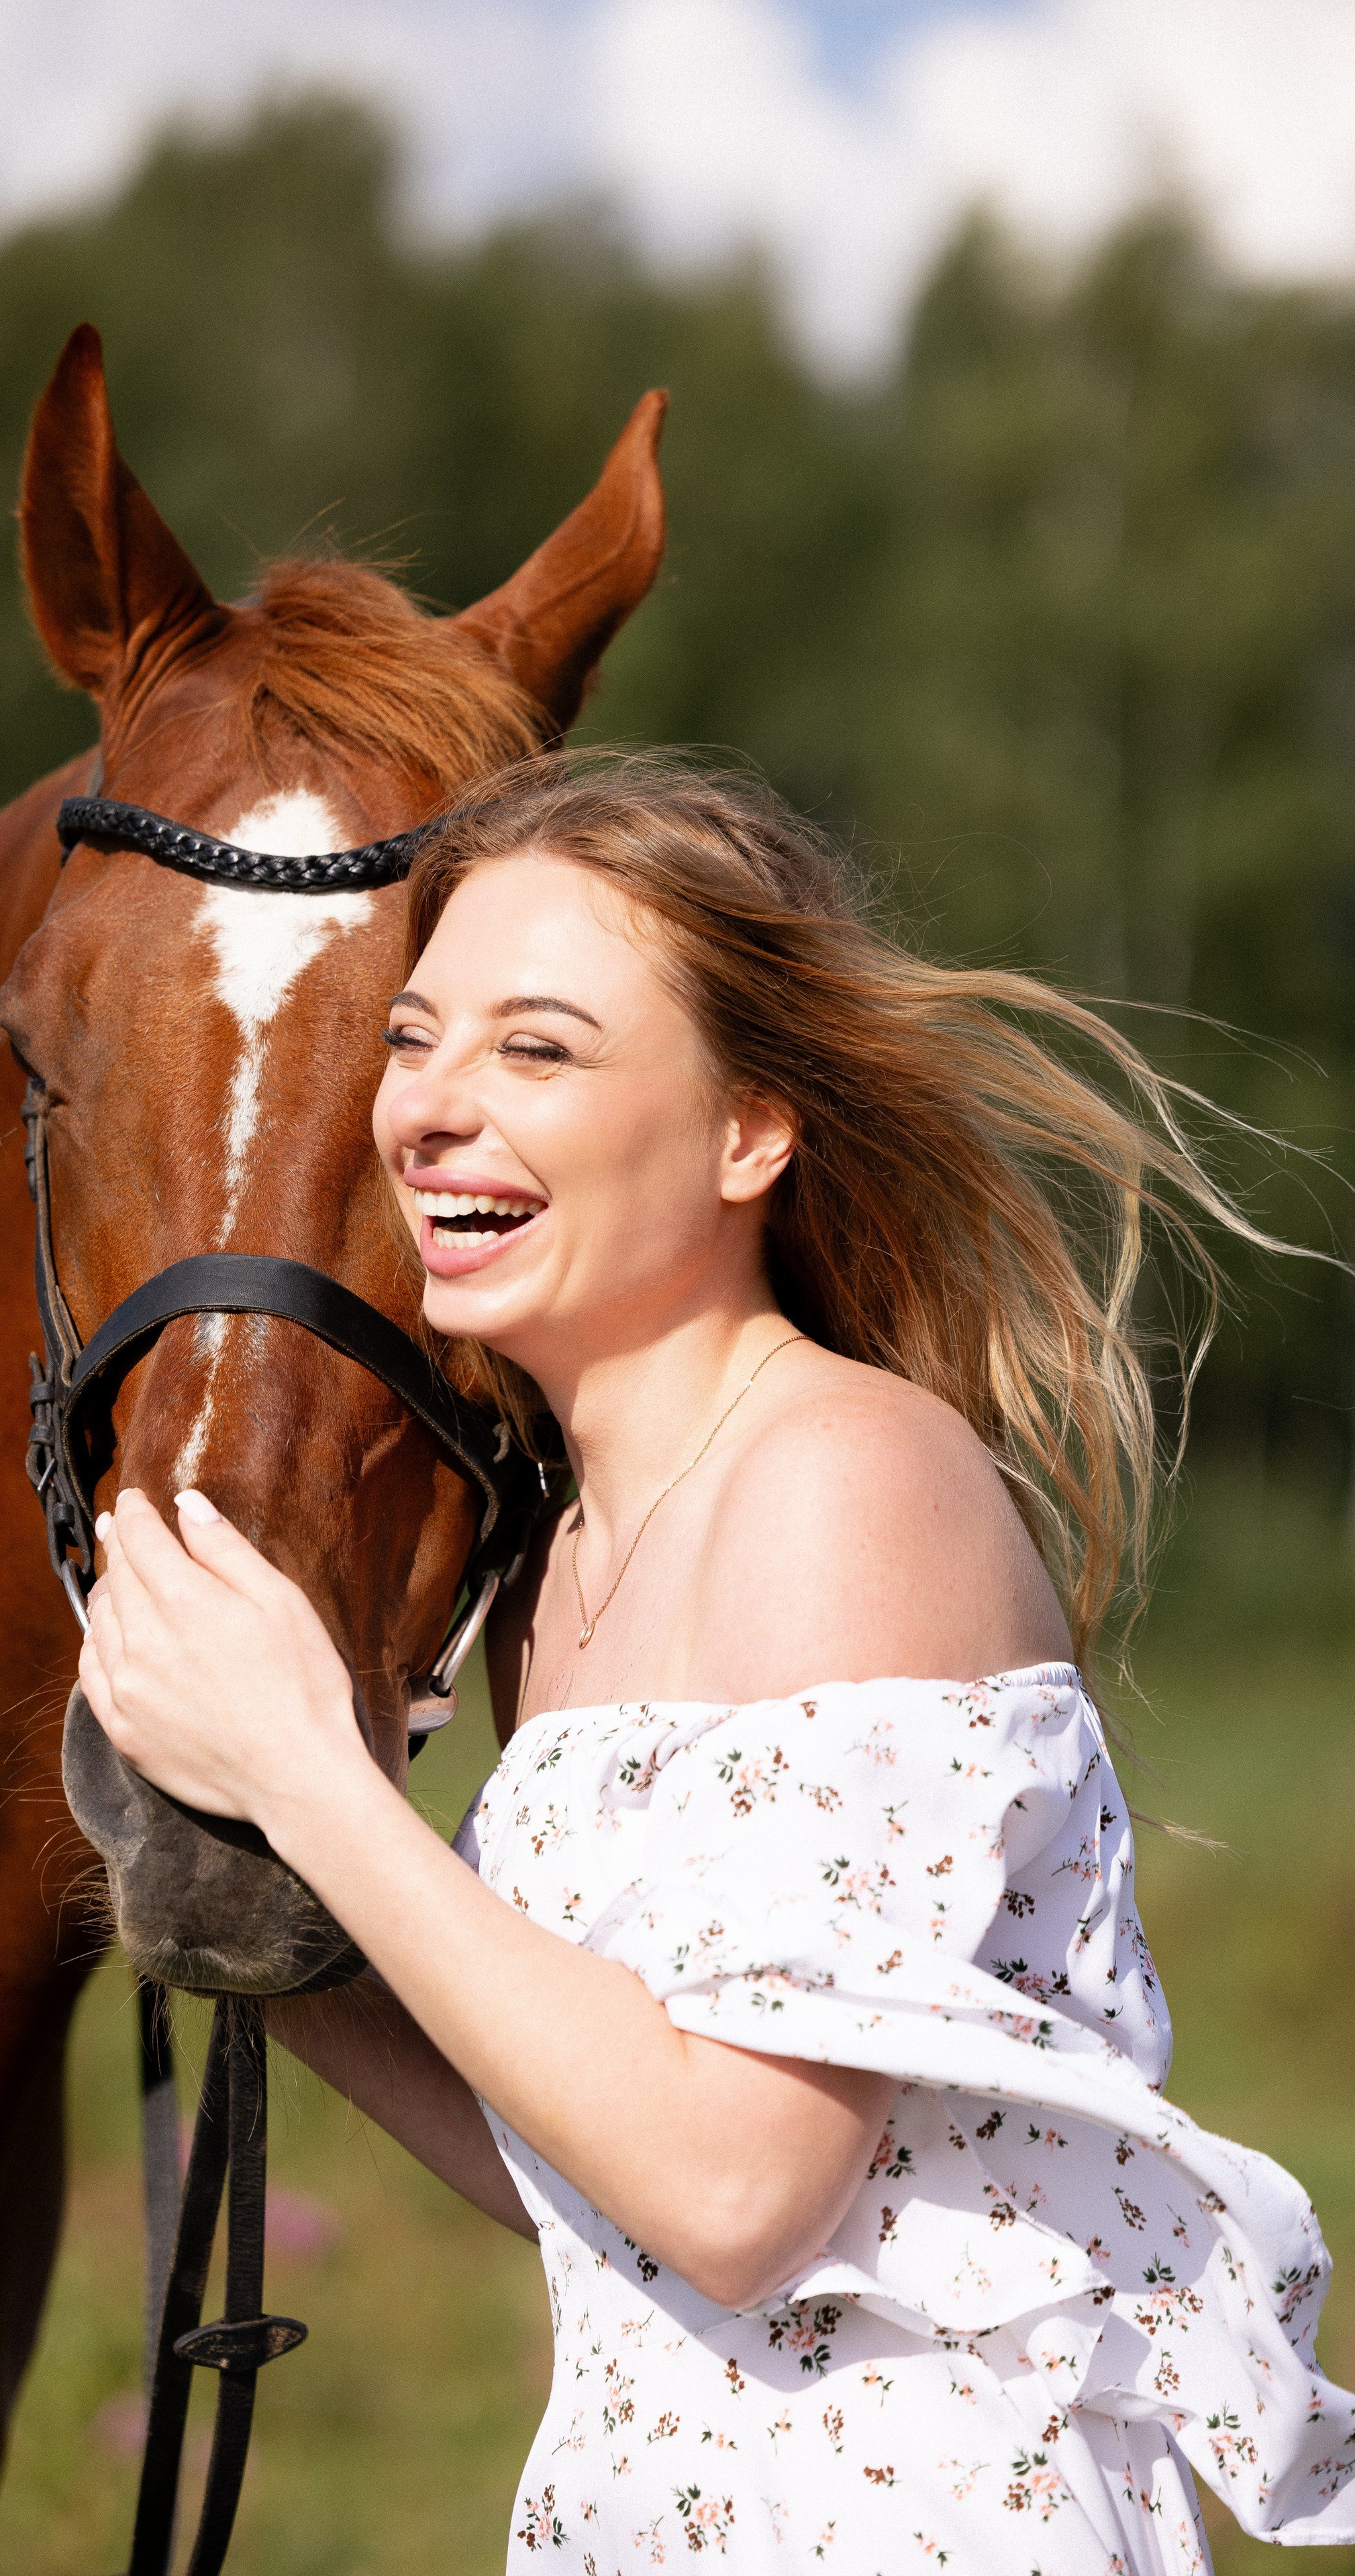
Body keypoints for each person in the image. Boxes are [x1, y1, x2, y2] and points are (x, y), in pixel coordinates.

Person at [77, 754, 1355, 2572]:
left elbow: (743, 2191)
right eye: (416, 1039)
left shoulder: (843, 1481)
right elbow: (602, 2177)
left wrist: (309, 1774)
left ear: (749, 1130)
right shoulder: (562, 1564)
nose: (431, 1109)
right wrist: (244, 1896)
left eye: (539, 1050)